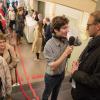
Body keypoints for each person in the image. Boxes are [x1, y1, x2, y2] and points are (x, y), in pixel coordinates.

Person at [42, 16, 73, 100]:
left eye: (67, 27)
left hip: (61, 73)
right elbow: (53, 66)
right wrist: (66, 53)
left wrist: (71, 38)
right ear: (55, 30)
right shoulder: (48, 45)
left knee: (56, 94)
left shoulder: (65, 40)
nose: (67, 30)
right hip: (51, 77)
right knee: (46, 94)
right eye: (64, 28)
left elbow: (79, 42)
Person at [71, 10, 100, 100]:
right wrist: (79, 64)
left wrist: (75, 73)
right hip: (79, 92)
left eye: (88, 25)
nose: (87, 28)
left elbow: (97, 81)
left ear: (98, 26)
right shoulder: (93, 41)